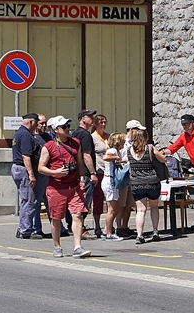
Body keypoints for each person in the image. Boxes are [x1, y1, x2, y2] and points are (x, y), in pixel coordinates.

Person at [37, 116, 91, 258]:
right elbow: (41, 167)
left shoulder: (76, 143)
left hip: (74, 185)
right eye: (64, 127)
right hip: (56, 187)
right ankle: (57, 246)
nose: (68, 129)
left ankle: (77, 247)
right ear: (55, 130)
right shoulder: (48, 146)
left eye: (68, 126)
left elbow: (79, 163)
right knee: (56, 218)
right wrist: (56, 172)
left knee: (77, 214)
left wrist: (81, 178)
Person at [126, 122, 167, 243]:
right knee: (154, 206)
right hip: (152, 181)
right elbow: (163, 159)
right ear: (145, 138)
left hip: (136, 183)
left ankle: (140, 235)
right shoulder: (150, 148)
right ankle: (155, 231)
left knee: (140, 210)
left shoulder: (129, 150)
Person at [11, 113, 45, 239]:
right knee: (29, 200)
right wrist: (31, 174)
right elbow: (26, 156)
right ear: (31, 122)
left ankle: (23, 228)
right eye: (36, 123)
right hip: (24, 169)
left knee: (28, 200)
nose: (37, 126)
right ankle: (25, 230)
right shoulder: (25, 135)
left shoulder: (20, 133)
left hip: (20, 168)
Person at [69, 110, 99, 239]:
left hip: (77, 173)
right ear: (82, 119)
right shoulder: (86, 135)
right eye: (90, 117)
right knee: (84, 201)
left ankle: (75, 226)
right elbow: (86, 155)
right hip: (85, 173)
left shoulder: (75, 133)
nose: (93, 119)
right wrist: (93, 173)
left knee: (77, 201)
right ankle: (80, 228)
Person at [99, 133, 128, 241]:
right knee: (111, 209)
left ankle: (106, 230)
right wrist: (117, 158)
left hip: (111, 181)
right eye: (122, 142)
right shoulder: (113, 151)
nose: (124, 144)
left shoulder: (116, 151)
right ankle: (109, 233)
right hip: (110, 181)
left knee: (117, 207)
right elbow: (106, 157)